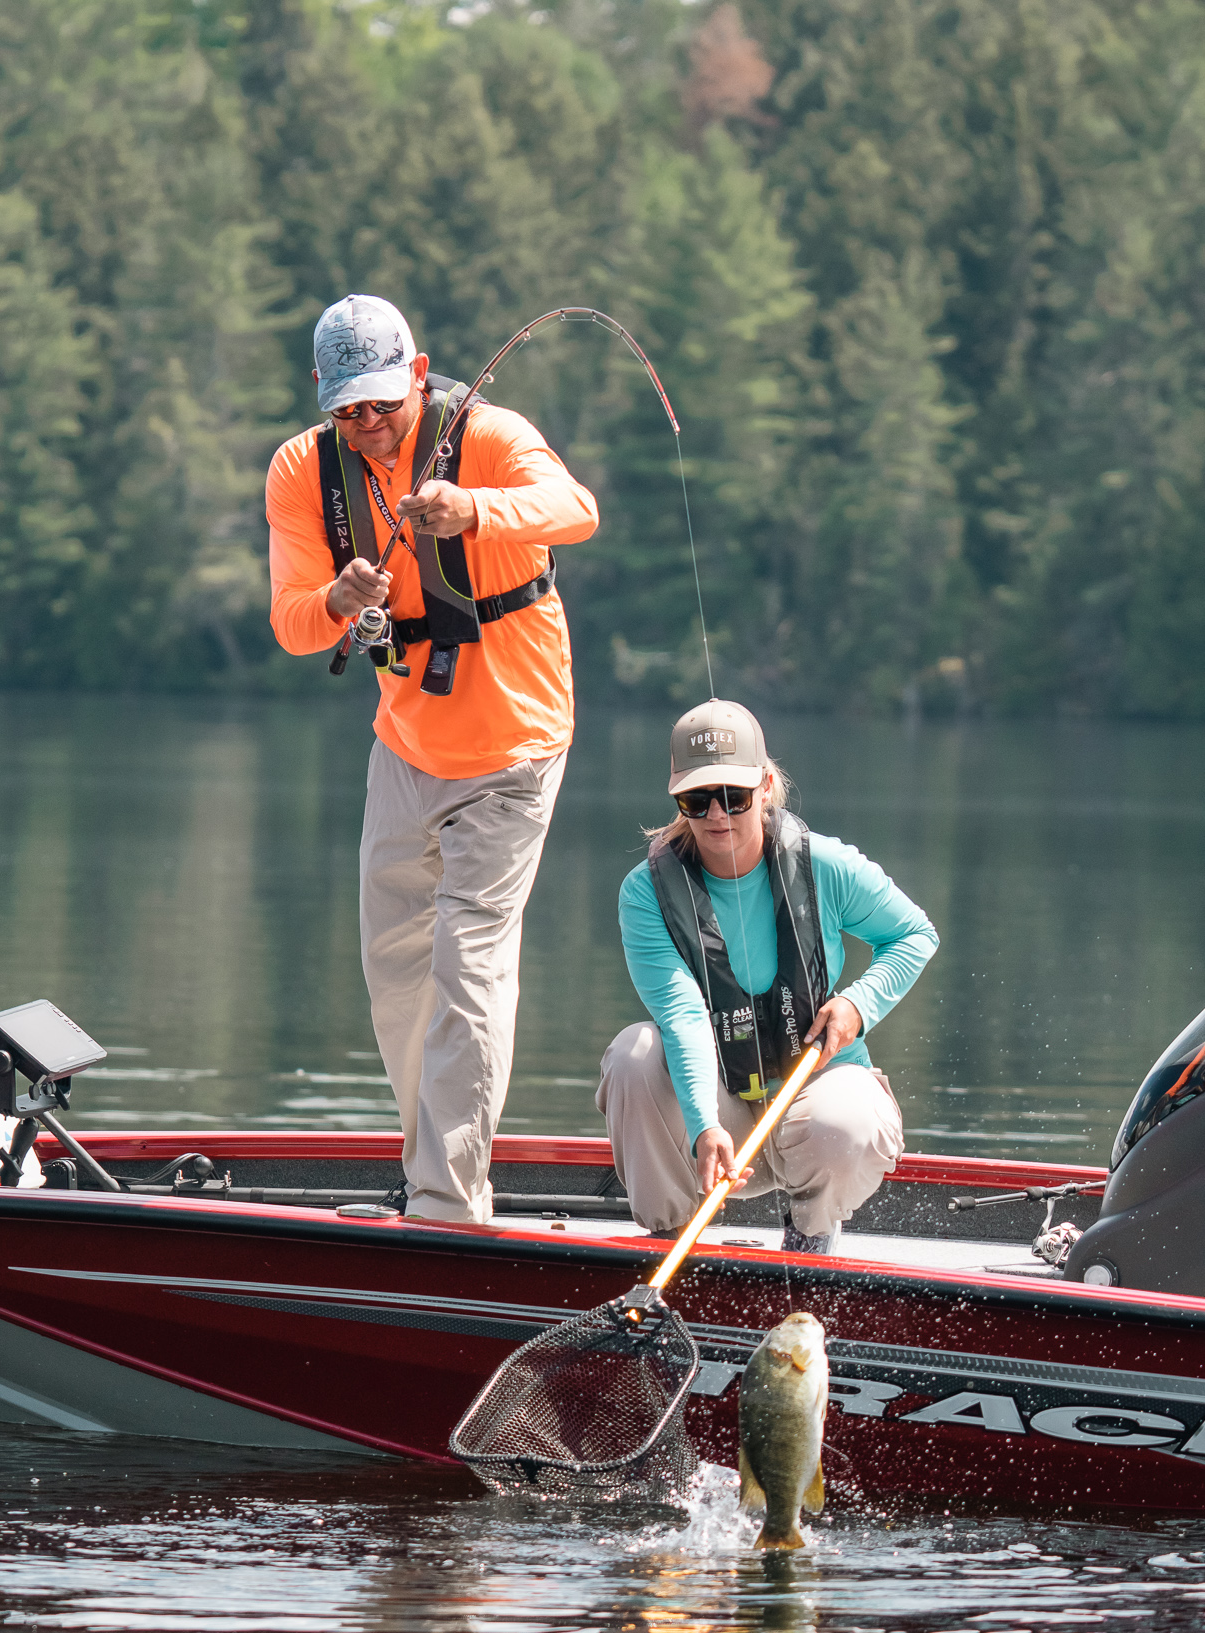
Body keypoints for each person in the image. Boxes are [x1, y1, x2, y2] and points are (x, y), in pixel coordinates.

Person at [266, 294, 598, 1222]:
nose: (368, 425)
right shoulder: (302, 469)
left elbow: (574, 510)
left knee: (468, 972)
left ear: (417, 376)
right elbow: (292, 622)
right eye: (348, 409)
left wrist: (472, 510)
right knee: (396, 975)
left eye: (383, 403)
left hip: (517, 740)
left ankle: (448, 1207)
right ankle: (430, 1161)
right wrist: (336, 597)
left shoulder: (485, 435)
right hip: (407, 743)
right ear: (324, 400)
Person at [597, 699, 939, 1249]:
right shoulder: (645, 894)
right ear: (677, 798)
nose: (716, 816)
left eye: (733, 797)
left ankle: (809, 1237)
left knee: (846, 1124)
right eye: (696, 799)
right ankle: (672, 1238)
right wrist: (704, 1125)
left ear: (766, 784)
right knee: (634, 1053)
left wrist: (858, 1004)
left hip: (815, 1100)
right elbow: (681, 1014)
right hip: (719, 1118)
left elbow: (915, 935)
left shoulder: (826, 865)